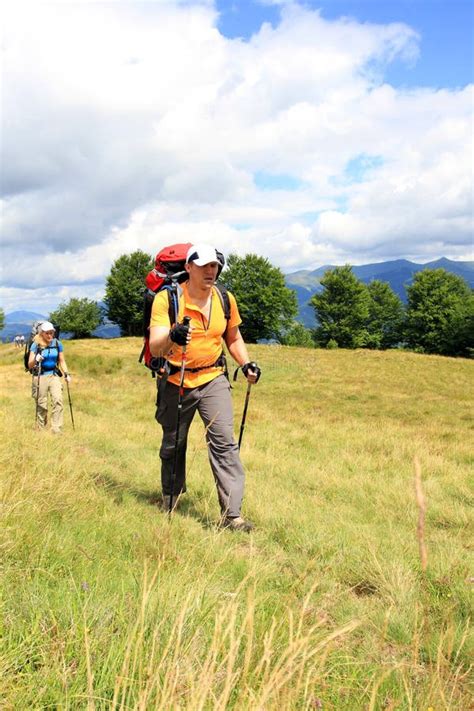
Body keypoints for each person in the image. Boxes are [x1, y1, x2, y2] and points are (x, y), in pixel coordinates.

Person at [149, 243, 261, 532]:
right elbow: (156, 346)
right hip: (176, 380)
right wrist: (173, 336)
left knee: (224, 443)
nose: (211, 271)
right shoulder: (168, 299)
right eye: (204, 266)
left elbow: (232, 337)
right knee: (174, 443)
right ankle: (171, 498)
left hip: (213, 377)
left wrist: (246, 363)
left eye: (215, 266)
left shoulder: (224, 298)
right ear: (189, 268)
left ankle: (232, 515)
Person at [27, 321, 71, 434]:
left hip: (54, 375)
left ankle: (56, 429)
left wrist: (66, 373)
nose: (50, 335)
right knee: (41, 403)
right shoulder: (35, 344)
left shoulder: (57, 343)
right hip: (40, 375)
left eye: (52, 333)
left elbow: (62, 360)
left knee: (58, 400)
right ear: (42, 333)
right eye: (47, 333)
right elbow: (29, 365)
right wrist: (36, 359)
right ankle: (41, 429)